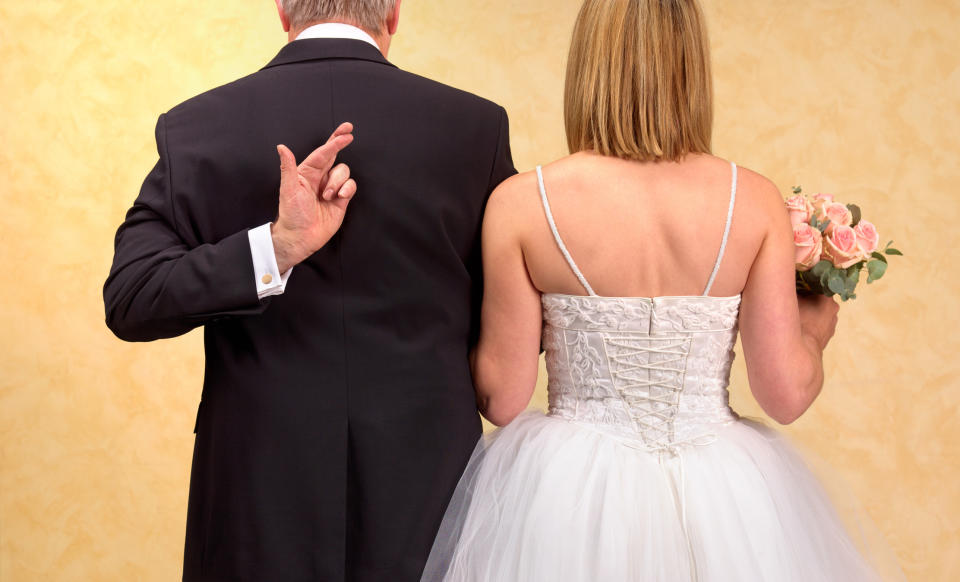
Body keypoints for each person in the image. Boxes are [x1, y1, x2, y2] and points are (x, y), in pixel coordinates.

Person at [420, 0, 903, 580]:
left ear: (586, 68)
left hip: (566, 497)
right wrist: (816, 330)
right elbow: (784, 394)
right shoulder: (751, 201)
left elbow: (503, 398)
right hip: (724, 488)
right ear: (691, 67)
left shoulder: (525, 203)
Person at [103, 0, 515, 579]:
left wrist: (270, 251)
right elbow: (518, 310)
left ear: (282, 9)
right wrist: (283, 244)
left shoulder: (196, 126)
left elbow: (131, 297)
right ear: (393, 11)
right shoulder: (475, 129)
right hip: (431, 490)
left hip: (255, 495)